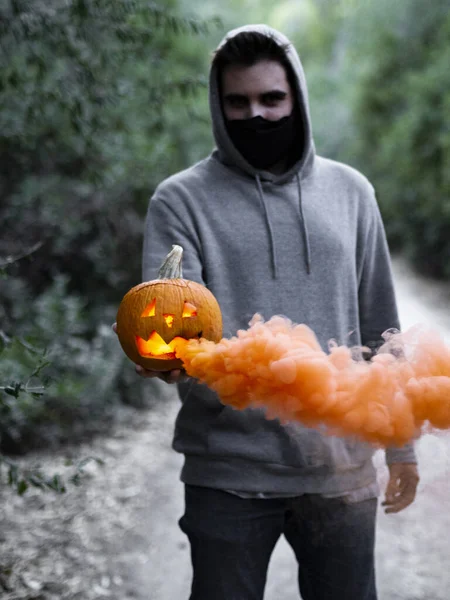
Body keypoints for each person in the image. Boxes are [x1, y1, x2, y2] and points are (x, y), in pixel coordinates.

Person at [136, 24, 420, 600]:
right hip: (229, 472)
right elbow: (171, 323)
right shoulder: (180, 199)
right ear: (219, 107)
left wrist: (402, 446)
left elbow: (381, 323)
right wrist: (165, 360)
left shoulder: (352, 192)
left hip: (340, 470)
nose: (257, 116)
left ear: (297, 100)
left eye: (272, 99)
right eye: (237, 103)